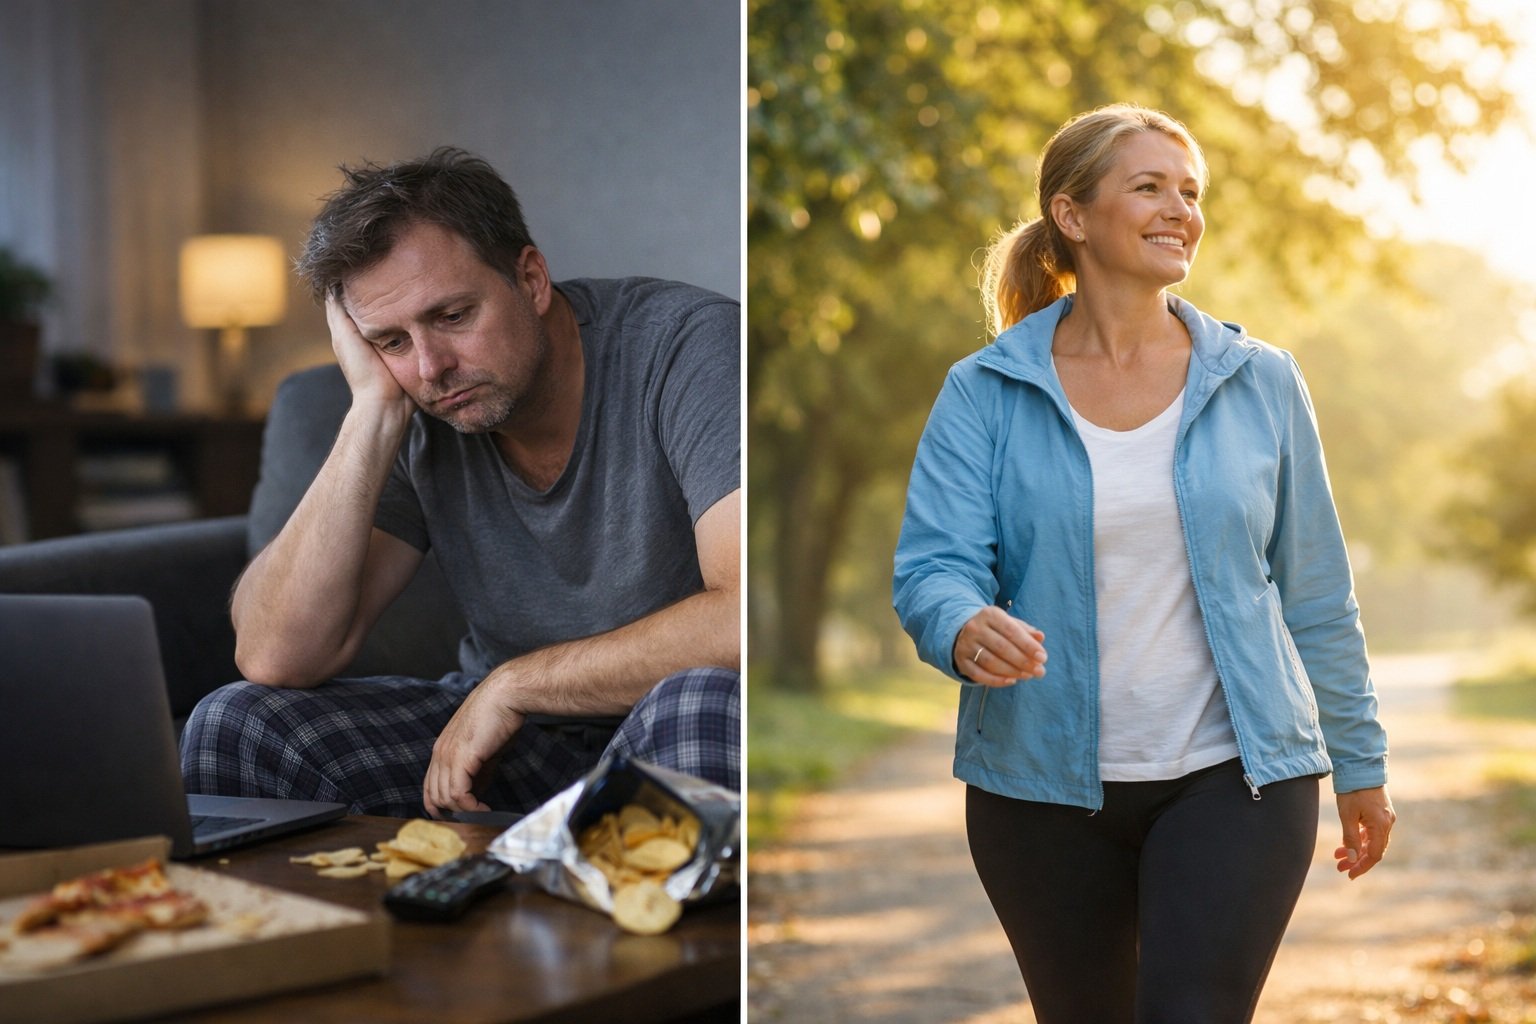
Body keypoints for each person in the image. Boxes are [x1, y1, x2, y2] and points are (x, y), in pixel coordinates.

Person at [892, 105, 1395, 1022]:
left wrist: (1360, 761)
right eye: (1151, 187)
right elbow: (933, 566)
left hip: (1237, 775)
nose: (1182, 211)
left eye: (1191, 191)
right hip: (1038, 789)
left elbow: (1317, 590)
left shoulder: (1260, 380)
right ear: (1073, 217)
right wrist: (959, 623)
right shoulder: (985, 390)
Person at [180, 147, 740, 820]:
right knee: (237, 725)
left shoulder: (688, 347)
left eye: (452, 316)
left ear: (530, 279)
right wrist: (373, 412)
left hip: (663, 731)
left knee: (705, 707)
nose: (432, 366)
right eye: (390, 341)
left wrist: (516, 684)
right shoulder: (412, 403)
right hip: (500, 748)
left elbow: (744, 618)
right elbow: (276, 655)